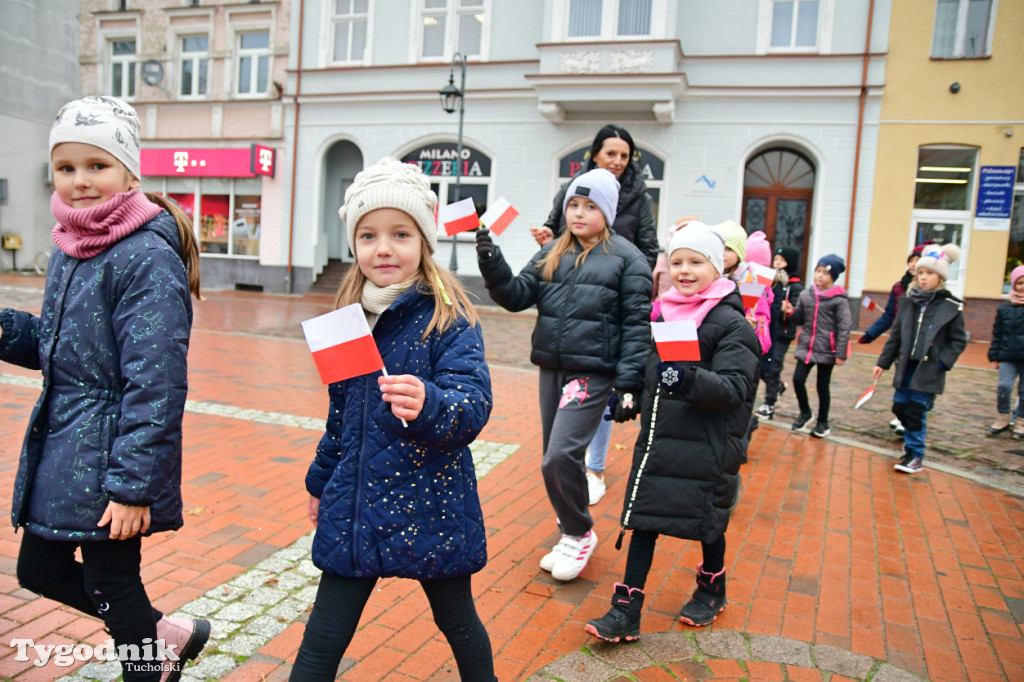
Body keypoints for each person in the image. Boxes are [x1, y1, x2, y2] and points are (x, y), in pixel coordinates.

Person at [0, 96, 206, 682]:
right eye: (67, 168)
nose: (81, 182)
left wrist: (134, 486)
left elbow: (158, 382)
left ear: (129, 172)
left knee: (111, 580)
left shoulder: (144, 256)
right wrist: (7, 330)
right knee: (39, 570)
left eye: (97, 166)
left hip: (118, 453)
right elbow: (66, 350)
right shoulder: (71, 246)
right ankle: (161, 636)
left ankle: (151, 657)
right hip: (70, 445)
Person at [290, 158, 495, 680]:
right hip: (357, 505)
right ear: (354, 245)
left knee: (459, 623)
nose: (383, 248)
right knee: (321, 643)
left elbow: (473, 406)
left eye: (400, 234)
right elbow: (340, 417)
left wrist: (430, 404)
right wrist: (320, 481)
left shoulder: (449, 315)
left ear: (424, 241)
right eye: (368, 236)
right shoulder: (345, 321)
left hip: (433, 504)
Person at [584, 222, 759, 642]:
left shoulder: (732, 325)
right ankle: (626, 610)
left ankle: (711, 586)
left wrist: (688, 381)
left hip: (708, 447)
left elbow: (736, 389)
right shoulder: (663, 313)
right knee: (643, 521)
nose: (684, 270)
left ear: (716, 268)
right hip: (660, 443)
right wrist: (632, 399)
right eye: (677, 261)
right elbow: (654, 373)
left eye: (695, 261)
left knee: (707, 522)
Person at [476, 168, 653, 581]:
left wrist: (629, 385)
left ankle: (578, 533)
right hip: (552, 368)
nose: (578, 213)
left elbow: (636, 324)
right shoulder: (552, 250)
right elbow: (516, 295)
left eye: (590, 206)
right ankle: (571, 528)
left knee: (560, 456)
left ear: (607, 212)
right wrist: (490, 258)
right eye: (574, 204)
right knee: (554, 460)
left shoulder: (628, 259)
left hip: (591, 373)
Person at [532, 124, 659, 505]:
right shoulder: (572, 190)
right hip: (571, 307)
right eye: (611, 154)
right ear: (595, 155)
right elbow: (557, 233)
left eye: (624, 155)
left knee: (601, 394)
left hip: (613, 303)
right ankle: (572, 492)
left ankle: (596, 469)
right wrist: (547, 242)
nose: (618, 161)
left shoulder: (640, 198)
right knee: (560, 430)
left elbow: (648, 249)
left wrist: (625, 273)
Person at [873, 244, 967, 474]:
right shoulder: (908, 302)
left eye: (930, 273)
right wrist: (882, 362)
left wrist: (942, 362)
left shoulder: (950, 306)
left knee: (915, 412)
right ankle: (913, 439)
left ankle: (914, 455)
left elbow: (958, 340)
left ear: (941, 277)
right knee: (899, 406)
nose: (924, 277)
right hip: (906, 366)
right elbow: (895, 336)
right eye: (921, 272)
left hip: (928, 368)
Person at [857, 241, 935, 435]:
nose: (914, 265)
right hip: (902, 342)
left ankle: (914, 419)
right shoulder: (899, 288)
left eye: (919, 261)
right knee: (902, 384)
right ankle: (904, 415)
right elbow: (889, 316)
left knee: (918, 387)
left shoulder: (933, 292)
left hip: (924, 347)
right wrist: (870, 335)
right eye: (912, 260)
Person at [781, 254, 852, 438]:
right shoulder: (806, 295)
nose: (820, 276)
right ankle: (805, 412)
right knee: (798, 379)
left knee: (822, 386)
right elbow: (800, 319)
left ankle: (823, 422)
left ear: (833, 277)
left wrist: (841, 353)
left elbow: (844, 326)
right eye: (818, 271)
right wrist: (790, 312)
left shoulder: (839, 300)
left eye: (825, 273)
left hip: (827, 348)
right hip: (807, 346)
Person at [756, 245, 804, 420]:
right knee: (761, 367)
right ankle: (776, 386)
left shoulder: (795, 286)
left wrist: (789, 309)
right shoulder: (770, 280)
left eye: (782, 261)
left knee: (773, 366)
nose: (778, 263)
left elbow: (798, 310)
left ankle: (769, 404)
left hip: (783, 333)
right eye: (776, 259)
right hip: (768, 329)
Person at [989, 265, 1024, 438]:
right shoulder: (1004, 308)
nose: (1022, 286)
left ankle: (1021, 421)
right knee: (1004, 385)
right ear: (1013, 285)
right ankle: (1003, 416)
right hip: (1008, 355)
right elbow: (998, 333)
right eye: (1020, 283)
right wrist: (994, 356)